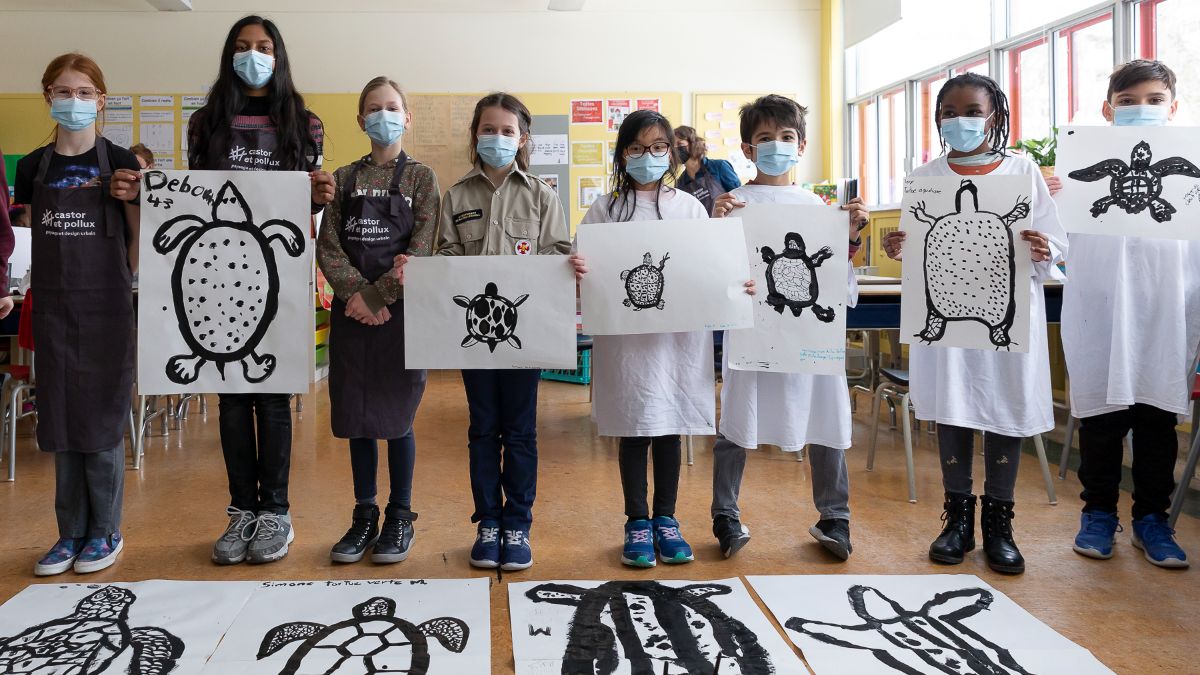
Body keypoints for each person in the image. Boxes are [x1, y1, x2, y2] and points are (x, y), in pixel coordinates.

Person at [883, 73, 1066, 575]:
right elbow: (915, 247)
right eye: (949, 112)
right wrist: (897, 248)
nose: (959, 121)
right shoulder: (926, 176)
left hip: (1006, 315)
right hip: (945, 324)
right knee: (954, 408)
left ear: (994, 115)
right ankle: (956, 518)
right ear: (938, 118)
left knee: (1004, 409)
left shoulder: (1023, 171)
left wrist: (1045, 249)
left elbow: (1054, 238)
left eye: (971, 111)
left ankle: (999, 524)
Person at [185, 15, 331, 565]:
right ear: (230, 55)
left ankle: (276, 513)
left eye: (264, 47)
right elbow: (195, 198)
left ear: (279, 54)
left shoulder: (304, 122)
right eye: (244, 47)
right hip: (220, 274)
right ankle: (239, 511)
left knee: (272, 399)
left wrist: (319, 195)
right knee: (230, 399)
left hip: (280, 275)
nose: (254, 55)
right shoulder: (205, 123)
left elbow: (306, 209)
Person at [580, 109, 754, 568]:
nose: (648, 156)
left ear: (672, 153)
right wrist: (578, 269)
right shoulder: (604, 209)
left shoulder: (688, 207)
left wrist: (737, 282)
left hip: (677, 343)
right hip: (626, 345)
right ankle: (637, 520)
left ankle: (667, 520)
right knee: (635, 429)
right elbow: (587, 274)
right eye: (636, 148)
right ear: (622, 154)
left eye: (658, 147)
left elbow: (707, 268)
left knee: (670, 429)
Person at [1048, 59, 1198, 569]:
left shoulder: (1190, 173)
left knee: (1157, 418)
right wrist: (1048, 198)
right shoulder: (1078, 178)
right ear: (1107, 110)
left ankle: (1152, 519)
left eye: (1155, 100)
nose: (1142, 110)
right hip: (1101, 312)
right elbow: (1050, 246)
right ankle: (1098, 514)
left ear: (1173, 108)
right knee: (1102, 419)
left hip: (1165, 314)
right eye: (1129, 101)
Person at [710, 94, 869, 560]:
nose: (775, 146)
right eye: (764, 138)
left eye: (785, 137)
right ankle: (725, 513)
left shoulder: (819, 208)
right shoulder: (734, 204)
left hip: (810, 338)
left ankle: (835, 517)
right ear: (746, 148)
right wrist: (715, 227)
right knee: (737, 420)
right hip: (754, 332)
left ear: (800, 146)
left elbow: (839, 282)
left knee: (825, 416)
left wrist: (852, 234)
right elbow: (714, 274)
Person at [431, 92, 578, 571]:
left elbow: (557, 253)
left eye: (507, 131)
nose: (497, 138)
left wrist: (569, 264)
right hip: (473, 337)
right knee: (481, 430)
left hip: (524, 336)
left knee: (518, 432)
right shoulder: (456, 195)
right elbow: (447, 256)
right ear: (476, 135)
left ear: (523, 139)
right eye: (489, 129)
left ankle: (518, 522)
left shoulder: (542, 194)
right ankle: (487, 522)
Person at [14, 53, 137, 575]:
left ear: (101, 100)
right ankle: (69, 534)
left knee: (103, 417)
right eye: (64, 92)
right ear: (48, 96)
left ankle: (105, 533)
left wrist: (133, 200)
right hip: (56, 307)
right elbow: (21, 237)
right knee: (61, 416)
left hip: (108, 305)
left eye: (85, 93)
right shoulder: (32, 167)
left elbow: (140, 243)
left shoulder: (121, 160)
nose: (74, 101)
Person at [315, 77, 438, 564]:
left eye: (392, 108)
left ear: (406, 117)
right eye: (373, 108)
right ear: (360, 119)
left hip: (403, 314)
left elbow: (423, 246)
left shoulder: (422, 179)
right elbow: (328, 246)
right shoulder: (343, 179)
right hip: (352, 314)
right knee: (359, 418)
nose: (382, 115)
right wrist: (357, 296)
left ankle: (400, 514)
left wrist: (381, 295)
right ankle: (364, 514)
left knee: (397, 418)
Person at [673, 125, 740, 214]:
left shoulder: (719, 167)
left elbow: (739, 197)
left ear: (694, 144)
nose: (676, 150)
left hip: (727, 222)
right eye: (673, 147)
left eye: (680, 144)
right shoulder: (680, 183)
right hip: (702, 226)